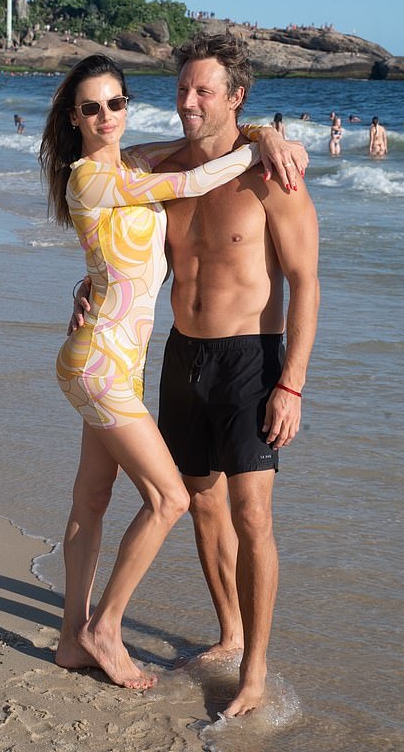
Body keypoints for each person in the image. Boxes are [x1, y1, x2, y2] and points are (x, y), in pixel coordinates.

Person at [40, 54, 308, 694]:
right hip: (122, 361)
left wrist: (258, 132)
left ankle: (73, 640)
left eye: (117, 104)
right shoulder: (116, 176)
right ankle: (104, 630)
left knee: (95, 498)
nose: (107, 117)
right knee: (176, 500)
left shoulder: (132, 163)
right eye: (92, 107)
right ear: (73, 117)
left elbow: (180, 155)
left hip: (149, 362)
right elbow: (190, 181)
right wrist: (260, 139)